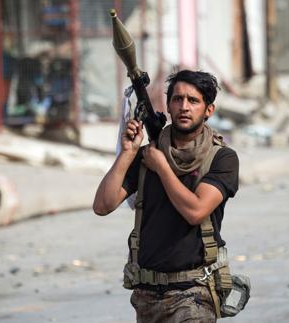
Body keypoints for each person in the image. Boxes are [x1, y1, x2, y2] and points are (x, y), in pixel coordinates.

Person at [93, 69, 239, 322]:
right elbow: (102, 205)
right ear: (168, 107)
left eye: (193, 101)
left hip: (194, 293)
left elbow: (195, 211)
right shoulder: (147, 155)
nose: (184, 106)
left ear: (208, 110)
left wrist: (161, 167)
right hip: (147, 295)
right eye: (177, 99)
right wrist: (128, 153)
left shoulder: (221, 158)